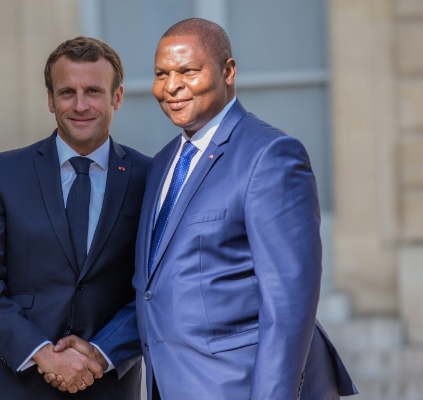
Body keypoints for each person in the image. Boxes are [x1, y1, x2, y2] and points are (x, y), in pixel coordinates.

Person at [46, 18, 358, 400]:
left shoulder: (270, 155)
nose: (171, 86)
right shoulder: (161, 164)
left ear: (228, 72)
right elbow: (155, 293)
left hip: (239, 387)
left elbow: (289, 304)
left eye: (188, 71)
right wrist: (100, 350)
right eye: (161, 74)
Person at [0, 36, 149, 399]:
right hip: (12, 384)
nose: (80, 105)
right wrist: (43, 354)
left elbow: (155, 290)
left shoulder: (149, 177)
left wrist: (100, 352)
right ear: (50, 99)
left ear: (117, 97)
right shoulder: (3, 173)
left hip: (106, 381)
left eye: (93, 91)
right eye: (66, 92)